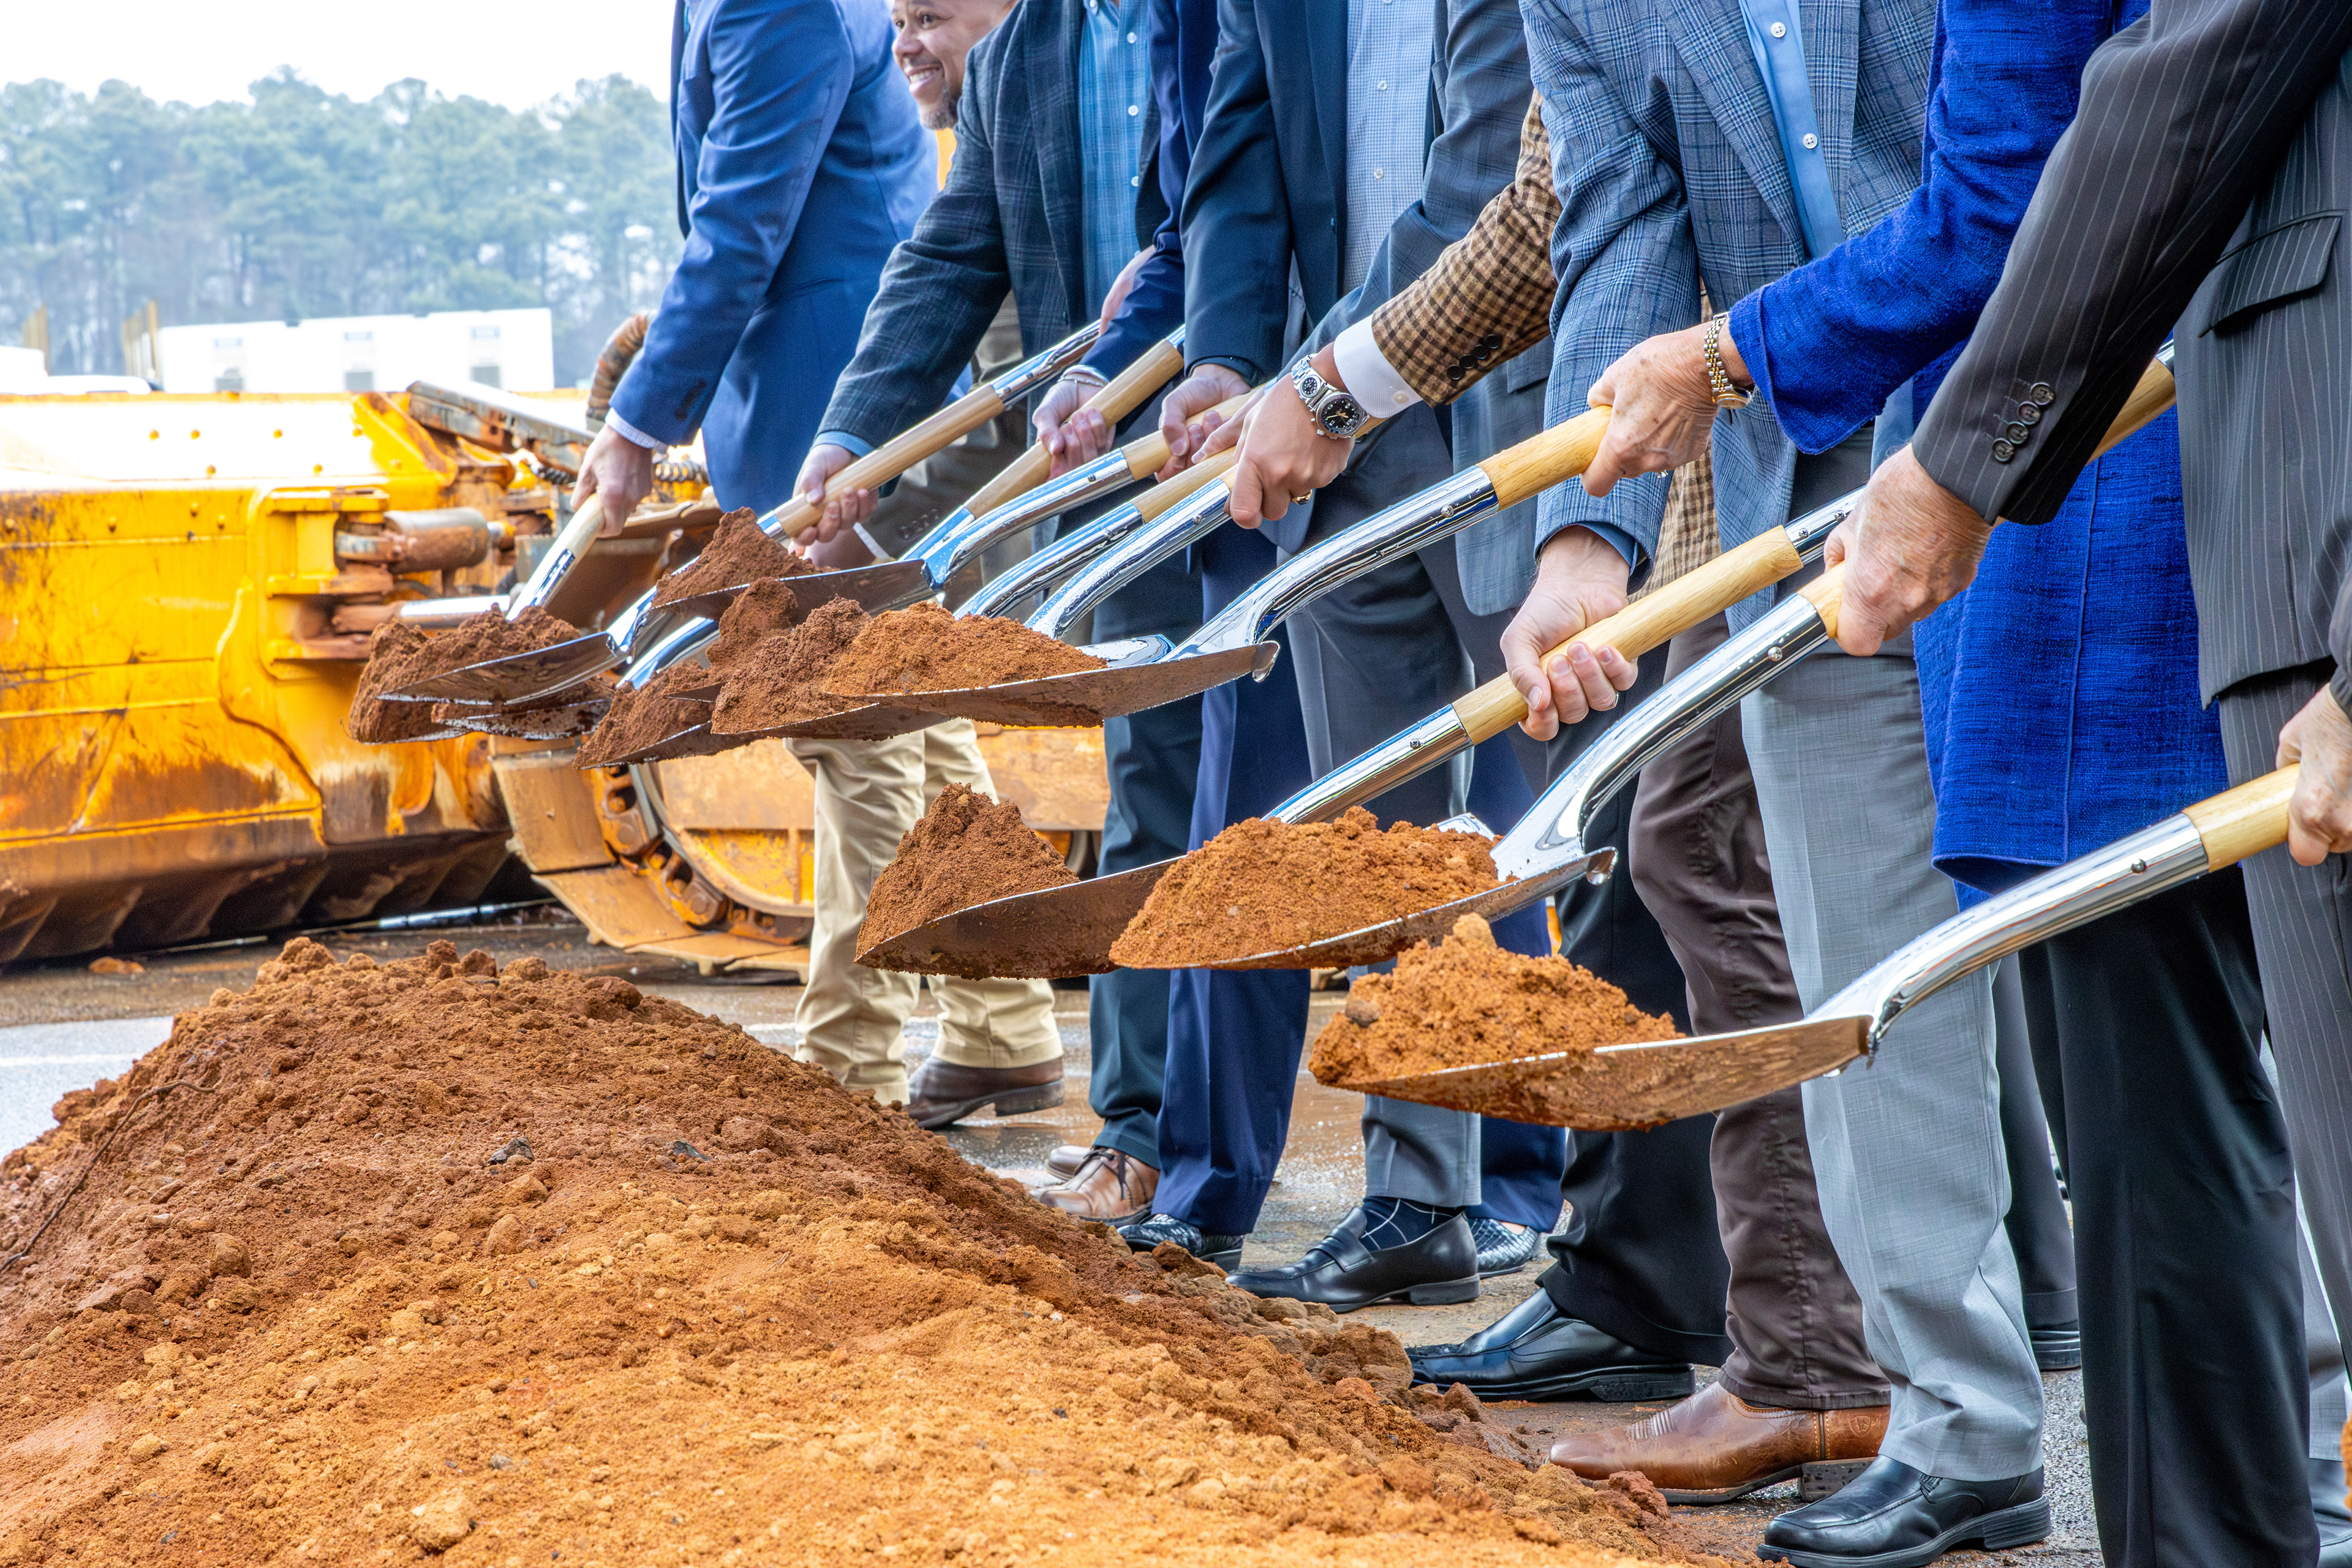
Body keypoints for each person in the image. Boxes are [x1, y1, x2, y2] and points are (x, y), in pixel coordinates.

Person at [1566, 0, 2312, 1555]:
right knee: (2196, 1078)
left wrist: (1909, 449)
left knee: (2174, 1086)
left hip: (2111, 504)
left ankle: (2266, 1495)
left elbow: (2040, 193)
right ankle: (2236, 1481)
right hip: (2069, 462)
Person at [564, 0, 1065, 1121]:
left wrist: (643, 424)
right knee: (907, 713)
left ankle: (852, 1063)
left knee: (849, 721)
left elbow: (744, 217)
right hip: (831, 368)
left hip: (838, 384)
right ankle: (1003, 1024)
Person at [790, 0, 1205, 1208]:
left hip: (1256, 450)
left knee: (1284, 817)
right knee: (1153, 800)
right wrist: (853, 439)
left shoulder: (1217, 24)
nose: (908, 36)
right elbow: (951, 258)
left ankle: (1459, 1183)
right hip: (1114, 493)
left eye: (929, 13)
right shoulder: (1030, 59)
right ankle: (1146, 1134)